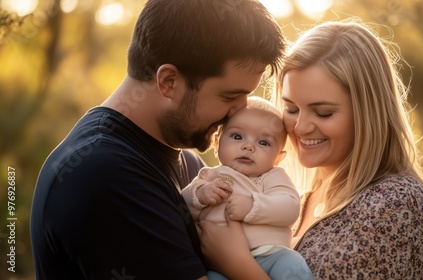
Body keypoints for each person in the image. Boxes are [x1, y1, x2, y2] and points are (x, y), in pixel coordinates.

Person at [29, 0, 286, 279]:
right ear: (169, 81)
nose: (240, 110)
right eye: (228, 96)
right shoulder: (104, 175)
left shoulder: (187, 164)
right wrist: (238, 263)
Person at [203, 20, 423, 279]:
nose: (300, 127)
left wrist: (237, 265)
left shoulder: (396, 201)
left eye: (323, 112)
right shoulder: (302, 195)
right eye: (291, 109)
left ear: (367, 114)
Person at [181, 96, 313, 280]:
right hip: (218, 265)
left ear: (277, 158)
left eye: (263, 142)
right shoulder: (209, 176)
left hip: (272, 254)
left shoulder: (272, 176)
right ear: (217, 144)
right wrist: (200, 195)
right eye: (237, 136)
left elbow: (290, 207)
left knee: (293, 264)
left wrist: (253, 206)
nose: (248, 146)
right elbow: (180, 208)